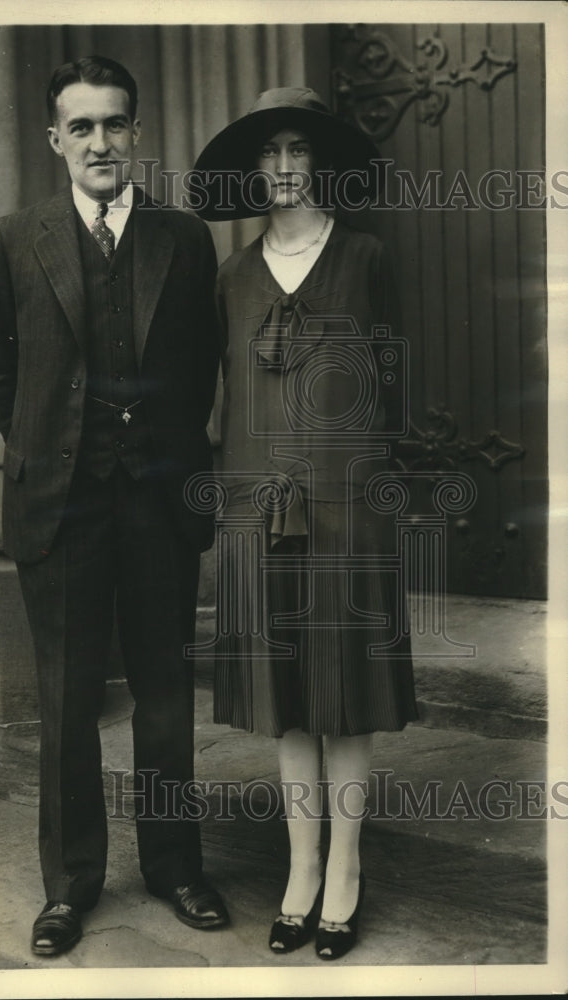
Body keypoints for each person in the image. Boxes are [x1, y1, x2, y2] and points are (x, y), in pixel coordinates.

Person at [0, 55, 228, 958]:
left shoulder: (183, 240)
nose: (100, 142)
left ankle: (174, 867)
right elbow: (1, 373)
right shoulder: (11, 240)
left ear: (137, 134)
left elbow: (201, 366)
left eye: (114, 124)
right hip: (63, 510)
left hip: (159, 503)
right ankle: (70, 884)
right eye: (81, 127)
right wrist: (52, 449)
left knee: (163, 699)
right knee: (67, 702)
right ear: (55, 141)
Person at [192, 88, 418, 960]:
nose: (285, 167)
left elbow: (390, 383)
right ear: (254, 168)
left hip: (349, 508)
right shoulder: (232, 276)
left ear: (320, 161)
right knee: (289, 705)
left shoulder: (364, 258)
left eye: (299, 150)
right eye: (270, 152)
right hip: (260, 510)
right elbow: (229, 397)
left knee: (345, 698)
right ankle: (302, 871)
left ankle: (348, 874)